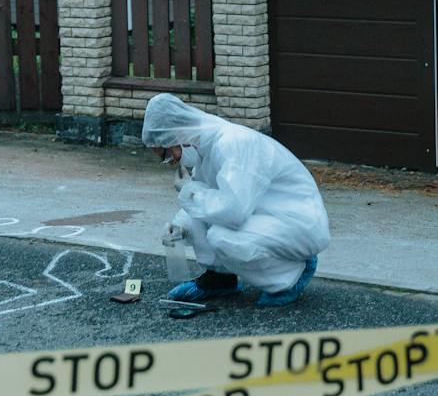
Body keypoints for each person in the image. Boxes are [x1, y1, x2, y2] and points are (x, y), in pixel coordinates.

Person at [141, 93, 330, 307]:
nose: (171, 162)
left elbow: (233, 211)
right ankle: (220, 279)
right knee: (196, 214)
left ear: (177, 136)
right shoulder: (205, 150)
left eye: (167, 155)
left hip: (299, 224)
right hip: (266, 215)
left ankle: (293, 275)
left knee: (222, 237)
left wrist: (189, 191)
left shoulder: (232, 144)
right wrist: (180, 227)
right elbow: (205, 201)